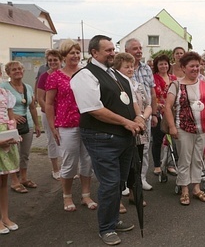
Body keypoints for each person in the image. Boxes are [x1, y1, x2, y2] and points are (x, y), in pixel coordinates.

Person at [70, 35, 144, 245]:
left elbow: (130, 98)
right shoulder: (84, 76)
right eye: (108, 50)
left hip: (123, 138)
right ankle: (106, 228)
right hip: (101, 138)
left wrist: (138, 116)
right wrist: (126, 122)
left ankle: (112, 219)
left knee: (119, 182)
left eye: (113, 49)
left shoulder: (115, 74)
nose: (113, 53)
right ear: (94, 53)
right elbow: (94, 109)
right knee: (110, 183)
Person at [45, 39, 97, 212]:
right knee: (69, 163)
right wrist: (53, 127)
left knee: (87, 161)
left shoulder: (87, 73)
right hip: (67, 125)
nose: (75, 56)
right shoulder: (55, 77)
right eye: (71, 53)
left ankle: (86, 195)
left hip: (88, 123)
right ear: (64, 56)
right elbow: (49, 104)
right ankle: (67, 196)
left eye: (77, 52)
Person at [165, 51, 205, 206]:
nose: (195, 69)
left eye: (197, 65)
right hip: (183, 128)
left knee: (197, 158)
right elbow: (167, 107)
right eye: (191, 66)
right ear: (183, 67)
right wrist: (172, 127)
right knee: (184, 159)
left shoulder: (203, 84)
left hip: (203, 128)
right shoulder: (176, 85)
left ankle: (196, 188)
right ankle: (184, 190)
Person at [113, 52, 152, 214]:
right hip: (122, 130)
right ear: (117, 69)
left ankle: (134, 194)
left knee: (136, 165)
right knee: (121, 167)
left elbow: (149, 105)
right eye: (126, 67)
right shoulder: (114, 85)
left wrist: (142, 118)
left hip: (139, 130)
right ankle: (117, 200)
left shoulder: (138, 85)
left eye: (131, 66)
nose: (130, 69)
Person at [1, 61, 41, 194]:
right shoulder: (4, 86)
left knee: (25, 154)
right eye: (14, 70)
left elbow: (32, 107)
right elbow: (2, 107)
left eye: (19, 69)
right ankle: (14, 181)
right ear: (8, 73)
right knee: (13, 153)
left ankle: (23, 178)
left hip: (27, 125)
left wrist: (36, 124)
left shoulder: (28, 87)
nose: (17, 71)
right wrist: (14, 115)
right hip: (10, 126)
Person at [125, 38, 158, 191]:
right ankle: (125, 182)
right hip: (126, 117)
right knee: (126, 150)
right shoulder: (120, 68)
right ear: (127, 51)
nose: (138, 51)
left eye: (140, 48)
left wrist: (154, 114)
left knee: (144, 148)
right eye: (134, 48)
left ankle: (141, 178)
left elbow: (152, 92)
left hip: (145, 115)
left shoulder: (146, 68)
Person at [36, 49, 61, 180]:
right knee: (52, 141)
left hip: (64, 114)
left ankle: (68, 168)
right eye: (50, 60)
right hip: (48, 114)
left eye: (55, 60)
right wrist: (51, 112)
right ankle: (55, 169)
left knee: (67, 141)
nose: (52, 62)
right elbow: (40, 98)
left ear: (61, 60)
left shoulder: (65, 75)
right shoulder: (44, 77)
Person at [151, 54, 177, 176]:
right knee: (158, 139)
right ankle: (157, 165)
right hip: (159, 111)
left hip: (172, 111)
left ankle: (170, 164)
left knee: (172, 139)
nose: (163, 66)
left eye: (165, 63)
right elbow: (153, 95)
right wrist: (157, 106)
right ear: (156, 65)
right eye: (161, 64)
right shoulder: (153, 78)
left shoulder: (173, 78)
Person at [0, 87, 21, 234]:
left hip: (5, 137)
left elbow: (11, 117)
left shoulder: (5, 93)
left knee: (3, 182)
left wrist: (14, 133)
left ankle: (5, 217)